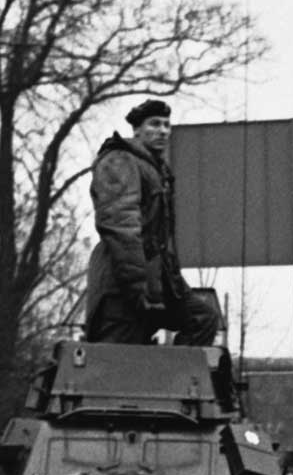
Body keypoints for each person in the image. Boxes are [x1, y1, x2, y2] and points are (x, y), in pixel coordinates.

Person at [81, 98, 221, 347]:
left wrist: (172, 287)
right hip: (121, 285)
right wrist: (138, 289)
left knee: (203, 319)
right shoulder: (121, 160)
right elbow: (121, 226)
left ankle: (177, 383)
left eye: (167, 125)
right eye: (154, 124)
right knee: (115, 373)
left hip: (155, 280)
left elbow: (159, 243)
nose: (163, 131)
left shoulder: (156, 170)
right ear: (136, 130)